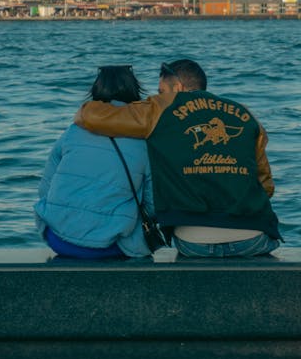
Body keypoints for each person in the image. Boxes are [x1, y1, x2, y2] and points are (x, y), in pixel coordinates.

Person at [74, 58, 282, 258]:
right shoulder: (245, 113)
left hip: (193, 243)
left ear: (178, 88)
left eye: (161, 92)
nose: (156, 97)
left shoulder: (161, 109)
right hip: (253, 238)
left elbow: (91, 117)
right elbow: (265, 185)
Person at [35, 65, 154, 259]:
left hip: (58, 239)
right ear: (134, 91)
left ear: (96, 91)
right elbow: (152, 203)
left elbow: (44, 189)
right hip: (112, 245)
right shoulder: (143, 141)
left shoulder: (72, 131)